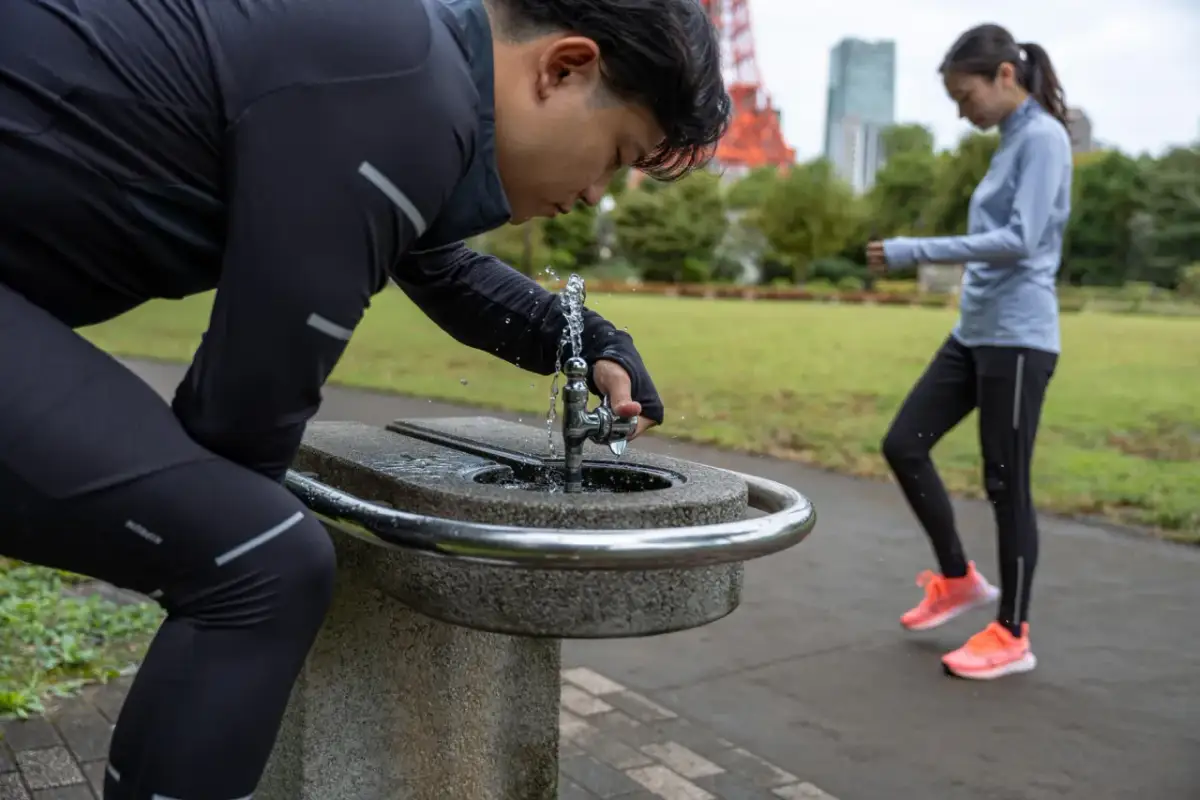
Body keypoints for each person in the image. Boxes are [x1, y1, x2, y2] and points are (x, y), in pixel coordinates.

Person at [0, 0, 730, 795]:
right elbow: (242, 415)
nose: (596, 192)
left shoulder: (400, 62)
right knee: (263, 564)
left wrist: (593, 342)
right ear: (563, 68)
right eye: (618, 153)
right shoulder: (405, 87)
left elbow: (437, 264)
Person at [865, 23, 1073, 681]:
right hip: (975, 331)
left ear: (1004, 78)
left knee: (1006, 484)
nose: (962, 109)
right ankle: (956, 578)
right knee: (904, 442)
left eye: (965, 94)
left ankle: (1012, 633)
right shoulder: (1012, 142)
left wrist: (913, 249)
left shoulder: (1042, 138)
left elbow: (1020, 239)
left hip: (1018, 339)